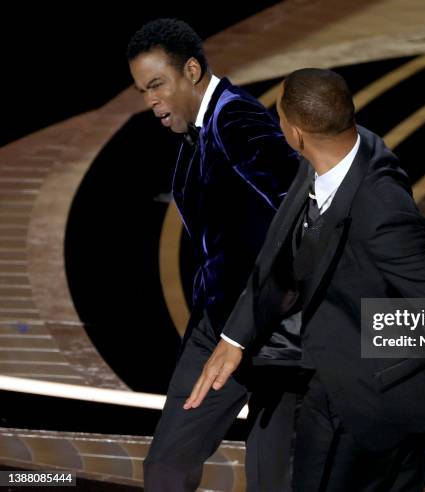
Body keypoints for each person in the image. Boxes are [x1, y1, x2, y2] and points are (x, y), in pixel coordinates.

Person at [184, 68, 425, 491]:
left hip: (372, 401)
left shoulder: (381, 209)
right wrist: (235, 338)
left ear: (294, 132)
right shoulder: (337, 150)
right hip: (346, 382)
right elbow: (281, 249)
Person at [127, 18, 304, 491]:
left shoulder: (236, 118)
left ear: (191, 70)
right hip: (219, 326)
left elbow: (300, 203)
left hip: (268, 330)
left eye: (157, 85)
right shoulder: (198, 133)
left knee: (272, 478)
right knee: (167, 465)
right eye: (143, 90)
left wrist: (263, 308)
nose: (151, 101)